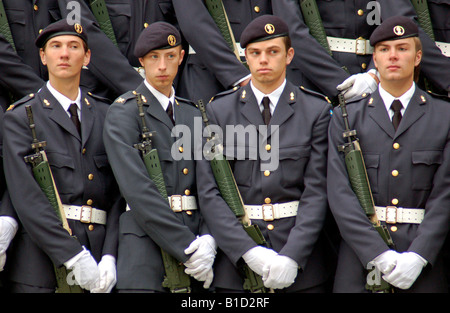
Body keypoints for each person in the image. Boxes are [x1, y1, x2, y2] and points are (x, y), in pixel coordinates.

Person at [196, 15, 332, 293]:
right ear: (245, 56)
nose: (263, 60)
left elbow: (317, 190)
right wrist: (247, 250)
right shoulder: (218, 112)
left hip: (301, 265)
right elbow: (209, 191)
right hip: (236, 266)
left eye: (273, 52)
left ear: (289, 55)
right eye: (255, 53)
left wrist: (293, 255)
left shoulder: (315, 110)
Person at [327, 16, 450, 292]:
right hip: (360, 261)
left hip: (422, 260)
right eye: (383, 50)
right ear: (375, 60)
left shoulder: (444, 116)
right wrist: (377, 253)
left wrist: (419, 256)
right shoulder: (348, 117)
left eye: (402, 48)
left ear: (418, 57)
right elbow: (339, 194)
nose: (393, 56)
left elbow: (445, 195)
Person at [2, 19, 124, 293]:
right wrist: (72, 254)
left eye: (74, 46)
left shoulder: (108, 115)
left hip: (98, 258)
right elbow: (27, 197)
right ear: (43, 57)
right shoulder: (22, 117)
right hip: (40, 266)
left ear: (87, 56)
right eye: (55, 46)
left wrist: (110, 255)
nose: (65, 54)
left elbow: (120, 194)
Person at [103, 21, 216, 293]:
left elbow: (211, 185)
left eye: (169, 56)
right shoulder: (123, 113)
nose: (162, 66)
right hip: (145, 251)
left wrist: (209, 239)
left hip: (198, 251)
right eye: (154, 57)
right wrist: (187, 246)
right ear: (141, 61)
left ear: (181, 57)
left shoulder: (194, 114)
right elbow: (137, 191)